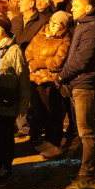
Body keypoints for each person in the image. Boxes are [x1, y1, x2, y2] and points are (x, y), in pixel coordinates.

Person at [56, 0, 95, 182]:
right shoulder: (83, 25)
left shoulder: (91, 27)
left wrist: (62, 76)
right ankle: (84, 166)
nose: (72, 9)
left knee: (86, 131)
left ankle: (88, 172)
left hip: (85, 84)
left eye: (76, 6)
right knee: (82, 129)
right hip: (77, 82)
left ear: (87, 8)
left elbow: (82, 59)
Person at [26, 10, 72, 159]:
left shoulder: (65, 40)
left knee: (52, 112)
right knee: (38, 111)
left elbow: (57, 62)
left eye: (58, 24)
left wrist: (37, 64)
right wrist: (31, 64)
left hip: (50, 81)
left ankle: (54, 143)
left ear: (64, 26)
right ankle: (45, 141)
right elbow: (29, 51)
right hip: (35, 78)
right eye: (52, 21)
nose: (53, 25)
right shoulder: (41, 33)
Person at [0, 15, 29, 180]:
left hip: (7, 102)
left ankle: (6, 166)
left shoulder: (15, 50)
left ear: (4, 31)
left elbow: (23, 79)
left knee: (5, 136)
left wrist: (23, 105)